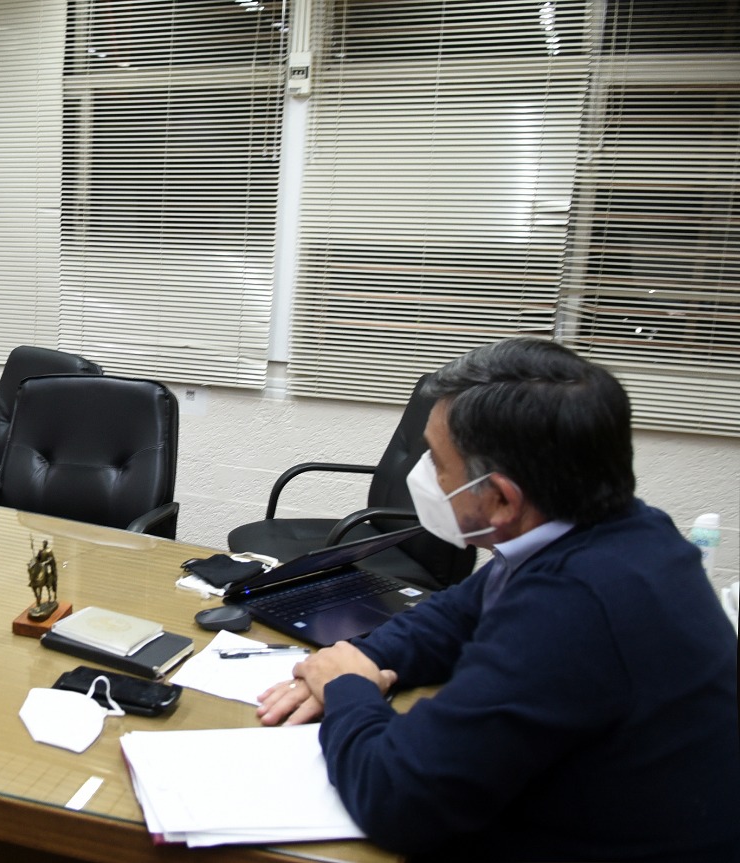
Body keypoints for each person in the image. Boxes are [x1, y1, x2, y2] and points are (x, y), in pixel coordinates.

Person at [256, 338, 739, 862]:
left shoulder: (574, 607)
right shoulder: (618, 529)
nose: (424, 478)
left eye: (437, 463)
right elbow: (457, 613)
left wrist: (348, 687)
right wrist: (370, 656)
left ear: (503, 498)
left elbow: (399, 800)